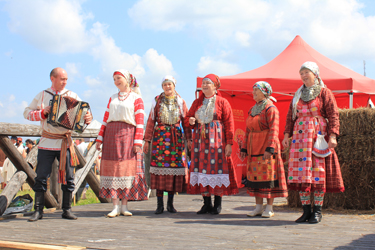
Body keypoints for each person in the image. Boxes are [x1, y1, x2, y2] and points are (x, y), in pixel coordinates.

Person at [24, 67, 92, 222]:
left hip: (65, 143)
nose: (65, 82)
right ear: (52, 79)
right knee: (41, 177)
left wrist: (88, 117)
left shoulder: (72, 95)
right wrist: (42, 113)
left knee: (69, 178)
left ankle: (67, 210)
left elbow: (84, 115)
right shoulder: (42, 95)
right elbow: (26, 113)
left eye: (66, 79)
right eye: (62, 79)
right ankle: (38, 210)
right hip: (47, 142)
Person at [282, 61, 345, 224]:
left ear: (315, 74)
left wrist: (332, 135)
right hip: (299, 140)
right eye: (301, 73)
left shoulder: (325, 92)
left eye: (306, 72)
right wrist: (286, 135)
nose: (303, 75)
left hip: (317, 136)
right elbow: (290, 116)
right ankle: (306, 211)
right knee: (302, 175)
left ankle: (317, 211)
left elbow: (333, 115)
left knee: (317, 174)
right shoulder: (297, 95)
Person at [96, 69, 148, 218]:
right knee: (112, 170)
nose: (116, 81)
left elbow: (140, 122)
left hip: (128, 135)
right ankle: (115, 206)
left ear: (127, 79)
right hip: (111, 135)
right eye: (114, 79)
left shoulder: (136, 98)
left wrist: (138, 141)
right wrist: (100, 138)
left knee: (126, 169)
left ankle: (124, 205)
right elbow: (105, 119)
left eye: (119, 78)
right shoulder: (112, 98)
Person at [186, 73, 238, 215]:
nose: (204, 85)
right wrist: (191, 121)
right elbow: (188, 117)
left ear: (215, 86)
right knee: (202, 169)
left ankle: (217, 204)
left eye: (208, 83)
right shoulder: (197, 103)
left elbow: (229, 123)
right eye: (203, 83)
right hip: (200, 143)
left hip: (217, 141)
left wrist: (229, 143)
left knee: (217, 169)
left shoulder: (222, 102)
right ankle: (206, 203)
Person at [143, 75, 191, 214]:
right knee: (159, 171)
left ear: (174, 86)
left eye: (169, 84)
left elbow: (186, 122)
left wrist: (189, 139)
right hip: (160, 139)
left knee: (173, 172)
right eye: (165, 85)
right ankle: (159, 205)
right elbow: (151, 121)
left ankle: (170, 204)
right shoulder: (156, 100)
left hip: (176, 139)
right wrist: (147, 140)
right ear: (162, 86)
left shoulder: (180, 101)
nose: (167, 87)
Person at [240, 81, 288, 218]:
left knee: (268, 176)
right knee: (255, 178)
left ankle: (269, 208)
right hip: (253, 147)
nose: (253, 93)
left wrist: (270, 147)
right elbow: (248, 130)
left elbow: (274, 129)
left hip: (265, 145)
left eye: (257, 90)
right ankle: (258, 207)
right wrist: (244, 148)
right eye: (253, 90)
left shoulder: (271, 108)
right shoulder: (252, 109)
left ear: (265, 92)